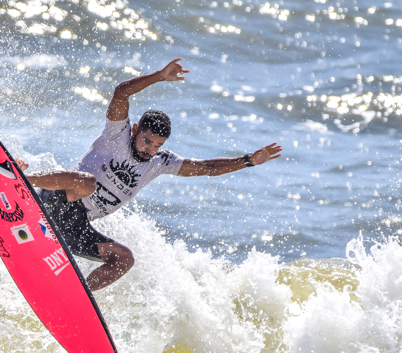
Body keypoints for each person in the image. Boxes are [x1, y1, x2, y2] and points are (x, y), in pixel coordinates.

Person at [18, 58, 282, 291]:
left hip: (76, 227)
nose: (150, 150)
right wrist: (158, 76)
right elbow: (121, 94)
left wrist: (247, 161)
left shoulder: (160, 162)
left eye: (158, 145)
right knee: (87, 182)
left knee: (125, 259)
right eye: (147, 141)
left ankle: (75, 296)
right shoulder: (116, 135)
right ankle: (20, 179)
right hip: (55, 202)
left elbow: (207, 168)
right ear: (135, 130)